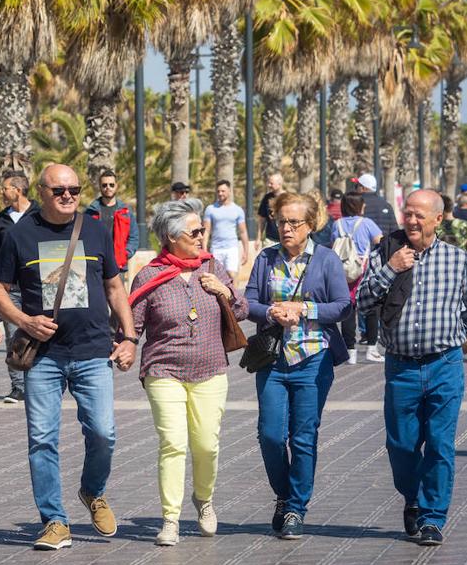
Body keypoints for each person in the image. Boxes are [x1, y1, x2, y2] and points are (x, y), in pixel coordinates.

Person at [0, 163, 138, 551]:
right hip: (44, 356)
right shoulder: (20, 234)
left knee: (103, 433)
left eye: (74, 189)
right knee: (42, 439)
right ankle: (54, 520)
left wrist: (130, 336)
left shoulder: (94, 229)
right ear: (42, 192)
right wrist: (23, 320)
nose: (69, 195)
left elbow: (114, 285)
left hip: (92, 350)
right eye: (60, 191)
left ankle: (92, 491)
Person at [356, 190, 467, 546]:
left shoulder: (456, 260)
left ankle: (432, 517)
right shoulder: (386, 253)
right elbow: (363, 302)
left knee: (440, 444)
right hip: (400, 368)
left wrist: (454, 333)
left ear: (438, 219)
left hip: (444, 365)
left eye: (420, 215)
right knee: (400, 445)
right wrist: (391, 269)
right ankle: (413, 497)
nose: (412, 221)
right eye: (408, 214)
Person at [129, 201, 247, 546]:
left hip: (210, 368)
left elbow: (240, 309)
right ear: (171, 236)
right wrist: (123, 346)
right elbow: (131, 325)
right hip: (164, 369)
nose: (201, 236)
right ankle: (170, 519)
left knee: (206, 445)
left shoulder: (211, 266)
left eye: (202, 230)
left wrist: (224, 291)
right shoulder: (149, 275)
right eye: (194, 231)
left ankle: (204, 500)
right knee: (173, 444)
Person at [244, 192, 352, 541]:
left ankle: (295, 508)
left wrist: (307, 310)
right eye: (280, 221)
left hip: (313, 359)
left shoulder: (326, 260)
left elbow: (342, 305)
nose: (286, 228)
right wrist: (271, 311)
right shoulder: (266, 258)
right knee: (271, 435)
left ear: (311, 224)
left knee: (304, 437)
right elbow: (247, 303)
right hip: (273, 359)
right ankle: (284, 493)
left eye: (293, 222)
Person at [0, 170, 40, 404]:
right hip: (10, 289)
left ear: (17, 190)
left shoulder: (40, 215)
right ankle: (18, 387)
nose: (2, 191)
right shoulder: (1, 219)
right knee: (12, 335)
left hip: (37, 287)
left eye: (5, 188)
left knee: (39, 334)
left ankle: (39, 383)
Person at [334, 192, 384, 364]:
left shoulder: (337, 224)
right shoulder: (366, 223)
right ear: (359, 206)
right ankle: (372, 348)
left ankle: (350, 351)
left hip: (343, 271)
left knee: (348, 310)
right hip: (363, 270)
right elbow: (379, 240)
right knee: (371, 307)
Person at [85, 169, 139, 274]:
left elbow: (134, 237)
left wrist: (125, 254)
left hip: (118, 265)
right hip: (96, 264)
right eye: (104, 185)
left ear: (116, 186)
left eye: (111, 185)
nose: (108, 188)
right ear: (100, 187)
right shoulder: (90, 211)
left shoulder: (126, 212)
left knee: (117, 290)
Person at [201, 180, 250, 281]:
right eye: (218, 191)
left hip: (231, 248)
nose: (220, 193)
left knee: (232, 276)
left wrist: (246, 251)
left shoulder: (237, 210)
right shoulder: (210, 209)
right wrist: (204, 249)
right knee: (216, 278)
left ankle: (235, 296)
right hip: (216, 248)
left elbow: (243, 232)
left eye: (223, 191)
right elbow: (206, 231)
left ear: (229, 191)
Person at [256, 172, 285, 244]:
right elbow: (262, 219)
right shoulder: (267, 198)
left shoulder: (288, 198)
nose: (269, 185)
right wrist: (258, 238)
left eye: (271, 183)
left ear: (279, 184)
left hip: (285, 238)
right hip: (270, 239)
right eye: (269, 183)